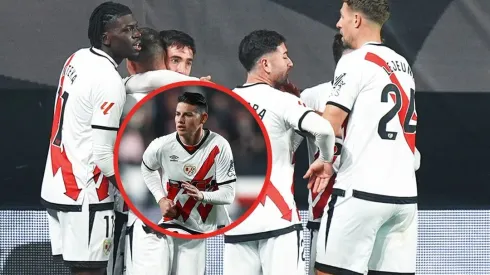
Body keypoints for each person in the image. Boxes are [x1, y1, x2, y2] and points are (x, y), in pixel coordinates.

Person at [315, 1, 419, 274]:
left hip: (360, 193)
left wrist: (326, 160)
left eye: (342, 16)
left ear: (357, 20)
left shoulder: (354, 61)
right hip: (404, 197)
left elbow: (328, 126)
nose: (339, 24)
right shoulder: (403, 65)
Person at [223, 29, 337, 275]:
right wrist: (326, 161)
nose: (290, 63)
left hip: (237, 223)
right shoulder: (283, 101)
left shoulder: (225, 102)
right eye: (284, 56)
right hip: (279, 219)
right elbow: (325, 131)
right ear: (265, 63)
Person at [40, 2, 141, 275]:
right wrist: (138, 195)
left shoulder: (77, 57)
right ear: (107, 37)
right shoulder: (108, 80)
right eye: (128, 29)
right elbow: (103, 155)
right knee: (90, 271)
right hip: (86, 194)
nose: (136, 34)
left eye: (136, 27)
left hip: (58, 183)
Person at [137, 91, 236, 275]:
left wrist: (201, 195)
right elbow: (147, 168)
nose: (180, 120)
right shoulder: (161, 145)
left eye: (188, 114)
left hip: (205, 227)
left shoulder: (219, 146)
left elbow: (228, 194)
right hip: (173, 222)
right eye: (178, 114)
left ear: (203, 118)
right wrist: (160, 199)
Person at [299, 33, 352, 275]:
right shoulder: (313, 96)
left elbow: (413, 160)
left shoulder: (378, 102)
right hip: (321, 215)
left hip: (363, 212)